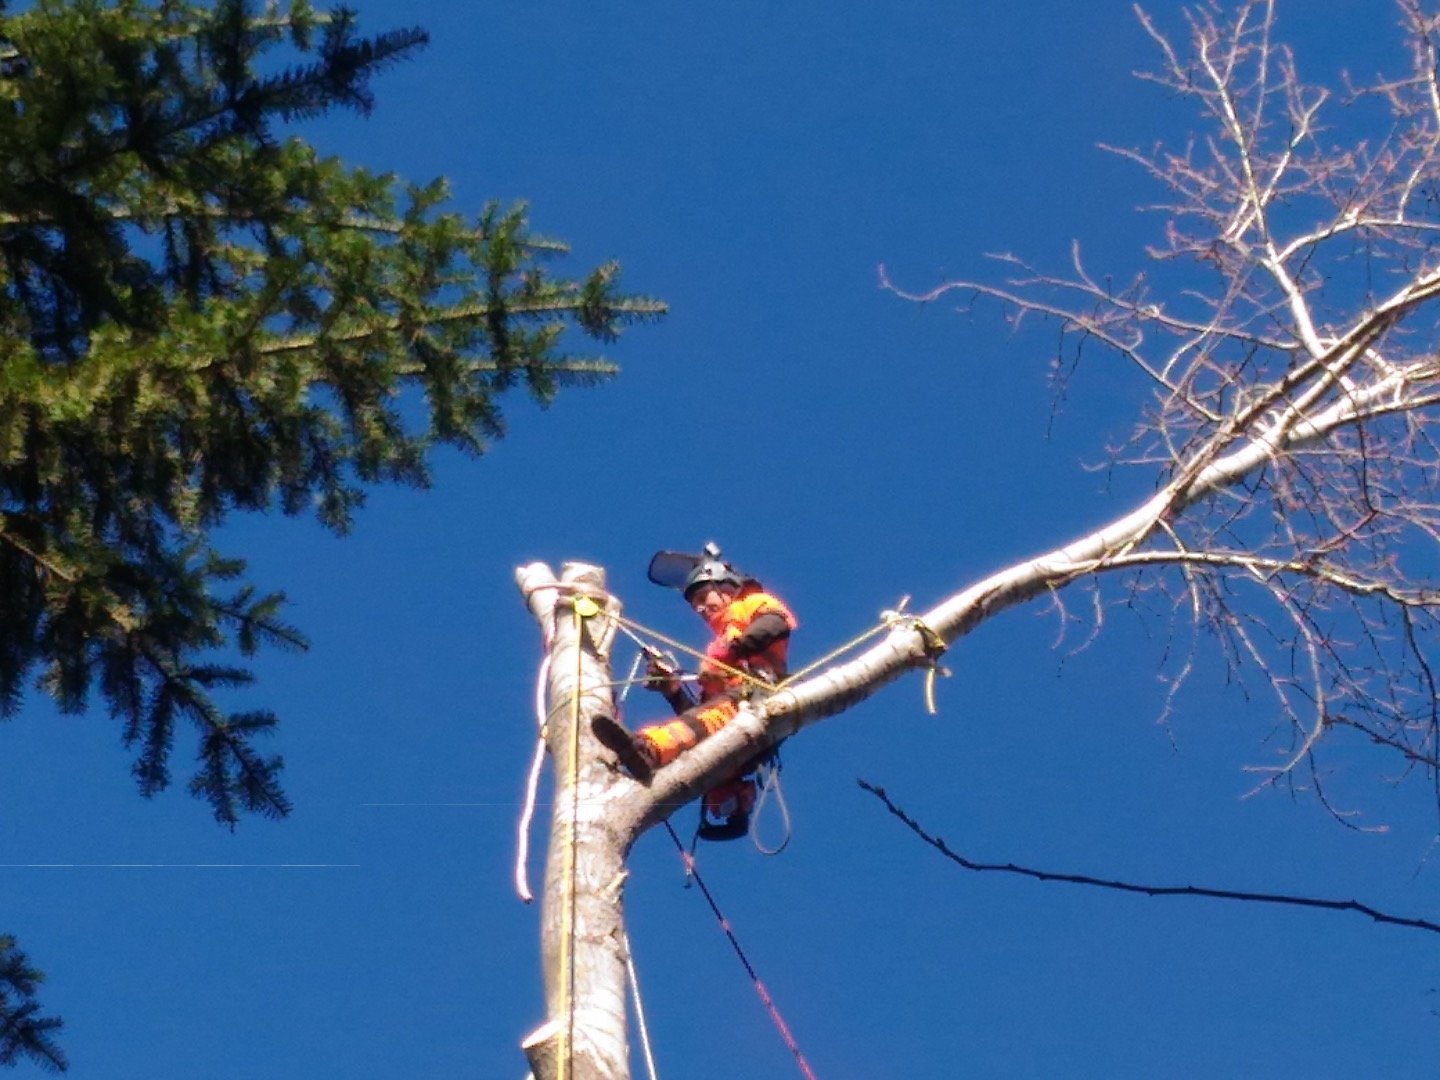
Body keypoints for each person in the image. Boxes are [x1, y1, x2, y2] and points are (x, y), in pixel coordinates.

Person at [592, 546, 796, 784]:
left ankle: (649, 750)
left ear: (725, 588)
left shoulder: (752, 603)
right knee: (704, 719)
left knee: (709, 718)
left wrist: (729, 653)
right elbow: (701, 710)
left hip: (757, 698)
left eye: (702, 598)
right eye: (694, 605)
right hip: (731, 726)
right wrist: (673, 691)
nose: (699, 608)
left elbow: (774, 625)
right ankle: (646, 754)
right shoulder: (716, 647)